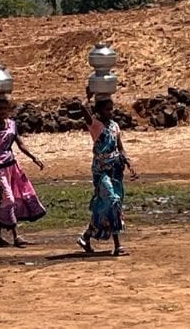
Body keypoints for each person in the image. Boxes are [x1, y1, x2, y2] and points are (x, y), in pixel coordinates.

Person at [0, 66, 46, 247]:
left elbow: (20, 143)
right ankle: (14, 235)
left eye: (5, 108)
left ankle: (2, 236)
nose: (3, 111)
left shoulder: (11, 124)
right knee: (8, 199)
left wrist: (34, 157)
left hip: (11, 166)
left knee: (8, 200)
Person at [76, 90, 139, 255]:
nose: (110, 112)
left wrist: (129, 163)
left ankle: (87, 235)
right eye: (106, 110)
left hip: (116, 170)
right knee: (112, 200)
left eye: (111, 109)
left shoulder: (115, 126)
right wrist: (88, 96)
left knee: (108, 205)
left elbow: (120, 148)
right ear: (99, 111)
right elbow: (83, 108)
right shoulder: (95, 125)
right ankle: (117, 245)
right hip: (101, 171)